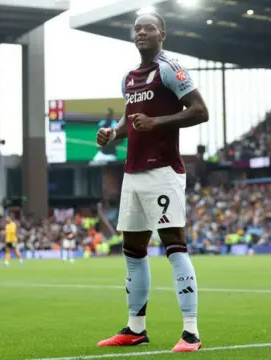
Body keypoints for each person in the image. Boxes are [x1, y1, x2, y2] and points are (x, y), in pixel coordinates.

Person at [95, 12, 209, 353]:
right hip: (133, 173)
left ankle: (191, 332)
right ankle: (135, 328)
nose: (142, 32)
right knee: (133, 251)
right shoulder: (129, 79)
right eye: (137, 28)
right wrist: (113, 132)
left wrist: (157, 121)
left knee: (174, 245)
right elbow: (132, 119)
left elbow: (200, 111)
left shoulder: (170, 69)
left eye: (149, 28)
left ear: (163, 34)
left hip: (163, 171)